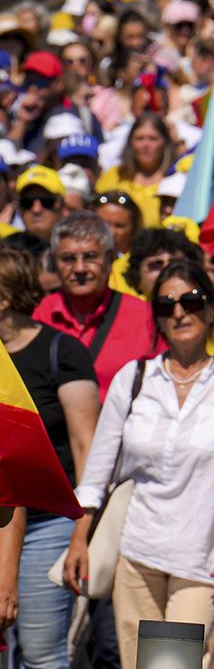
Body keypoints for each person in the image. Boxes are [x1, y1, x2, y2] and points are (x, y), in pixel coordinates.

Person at [68, 260, 214, 669]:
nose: (179, 312)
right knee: (136, 664)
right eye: (166, 304)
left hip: (204, 558)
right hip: (136, 552)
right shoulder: (134, 379)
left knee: (182, 664)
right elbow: (98, 470)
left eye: (190, 301)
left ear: (210, 307)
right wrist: (79, 538)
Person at [0, 247, 99, 669]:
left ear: (4, 299)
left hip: (49, 524)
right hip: (2, 518)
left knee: (41, 652)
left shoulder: (61, 352)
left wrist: (82, 531)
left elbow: (86, 447)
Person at [33, 211, 160, 391]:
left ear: (110, 260)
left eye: (91, 256)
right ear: (54, 263)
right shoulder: (40, 314)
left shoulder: (145, 317)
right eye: (68, 259)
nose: (80, 268)